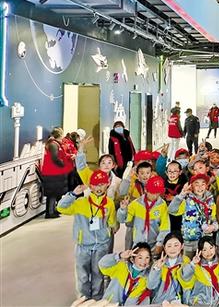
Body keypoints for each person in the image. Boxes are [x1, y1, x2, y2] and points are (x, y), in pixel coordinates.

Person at [58, 170, 117, 301]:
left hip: (101, 245)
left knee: (98, 273)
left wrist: (111, 227)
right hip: (83, 246)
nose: (99, 188)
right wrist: (73, 194)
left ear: (107, 184)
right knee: (82, 275)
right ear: (90, 186)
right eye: (95, 184)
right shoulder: (81, 203)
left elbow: (112, 222)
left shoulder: (109, 203)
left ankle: (96, 298)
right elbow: (61, 208)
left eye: (102, 184)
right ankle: (83, 298)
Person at [118, 175, 171, 254]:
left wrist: (160, 242)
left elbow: (165, 226)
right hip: (138, 244)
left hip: (154, 244)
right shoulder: (136, 203)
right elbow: (123, 220)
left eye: (158, 193)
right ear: (146, 190)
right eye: (152, 192)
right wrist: (123, 210)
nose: (155, 196)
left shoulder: (162, 205)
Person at [183, 235, 219, 307]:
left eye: (211, 248)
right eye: (204, 250)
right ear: (200, 251)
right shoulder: (196, 266)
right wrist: (192, 263)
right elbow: (184, 277)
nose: (208, 252)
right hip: (199, 304)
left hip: (216, 304)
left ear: (215, 248)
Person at [147, 232, 194, 304]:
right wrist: (157, 269)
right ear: (164, 247)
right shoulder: (158, 263)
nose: (172, 249)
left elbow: (188, 286)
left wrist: (186, 303)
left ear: (182, 246)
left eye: (176, 245)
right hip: (159, 302)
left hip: (177, 303)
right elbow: (150, 286)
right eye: (169, 246)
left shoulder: (186, 262)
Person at [40, 126, 71, 218]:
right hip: (52, 173)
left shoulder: (55, 144)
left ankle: (53, 210)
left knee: (55, 192)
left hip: (54, 172)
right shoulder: (54, 144)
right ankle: (50, 212)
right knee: (52, 193)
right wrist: (63, 164)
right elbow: (55, 158)